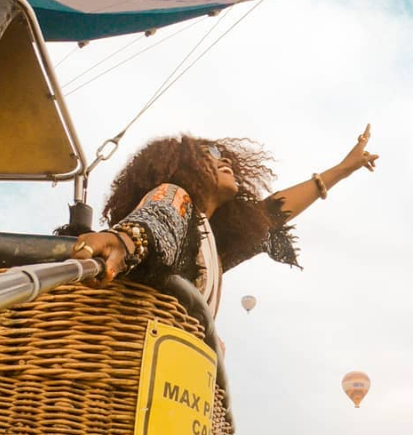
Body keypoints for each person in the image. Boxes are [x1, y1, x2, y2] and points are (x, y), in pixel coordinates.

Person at [71, 125, 378, 316]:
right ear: (182, 165)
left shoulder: (207, 246)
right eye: (212, 152)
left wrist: (342, 169)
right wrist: (123, 241)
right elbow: (156, 222)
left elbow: (271, 213)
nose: (226, 159)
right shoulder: (174, 196)